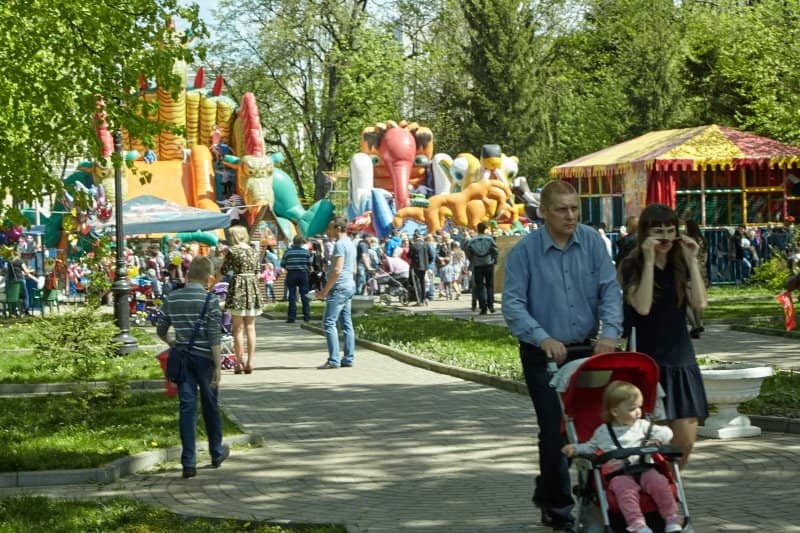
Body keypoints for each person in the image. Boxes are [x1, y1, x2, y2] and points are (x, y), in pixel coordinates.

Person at [502, 180, 623, 532]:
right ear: (543, 212)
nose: (570, 216)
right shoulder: (525, 252)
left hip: (588, 348)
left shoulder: (592, 243)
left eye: (574, 209)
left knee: (593, 424)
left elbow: (609, 290)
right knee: (555, 429)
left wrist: (610, 333)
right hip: (544, 353)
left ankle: (581, 493)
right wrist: (542, 338)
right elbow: (513, 304)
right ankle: (558, 508)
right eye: (561, 209)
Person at [618, 203, 708, 469]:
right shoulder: (632, 264)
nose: (666, 238)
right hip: (647, 359)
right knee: (654, 443)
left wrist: (692, 260)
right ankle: (657, 488)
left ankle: (669, 487)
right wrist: (648, 262)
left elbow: (700, 303)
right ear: (645, 234)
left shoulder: (679, 263)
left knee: (685, 441)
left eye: (671, 231)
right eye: (659, 232)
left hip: (680, 358)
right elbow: (643, 307)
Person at [561, 381, 682, 533]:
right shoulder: (603, 432)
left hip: (645, 469)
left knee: (660, 484)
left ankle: (671, 518)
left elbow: (667, 432)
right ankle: (637, 523)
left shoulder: (643, 426)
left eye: (639, 407)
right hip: (619, 474)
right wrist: (575, 448)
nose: (638, 412)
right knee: (625, 492)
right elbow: (591, 446)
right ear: (615, 411)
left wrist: (657, 439)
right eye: (632, 408)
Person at [156, 256, 229, 479]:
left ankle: (188, 462)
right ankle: (216, 452)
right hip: (205, 360)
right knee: (210, 405)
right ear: (209, 278)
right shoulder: (210, 301)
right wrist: (218, 366)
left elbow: (161, 328)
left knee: (187, 407)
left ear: (187, 275)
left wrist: (172, 343)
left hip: (183, 359)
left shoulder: (173, 297)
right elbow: (214, 336)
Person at [220, 225, 263, 374]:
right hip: (252, 288)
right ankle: (250, 362)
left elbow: (223, 271)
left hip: (237, 287)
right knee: (251, 327)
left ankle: (238, 363)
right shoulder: (253, 251)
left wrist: (212, 285)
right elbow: (258, 273)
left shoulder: (232, 251)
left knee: (237, 328)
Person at [316, 216, 357, 368]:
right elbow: (353, 268)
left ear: (338, 228)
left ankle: (334, 360)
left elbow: (338, 270)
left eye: (330, 227)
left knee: (328, 322)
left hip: (339, 287)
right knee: (346, 323)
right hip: (348, 285)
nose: (328, 231)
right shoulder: (350, 243)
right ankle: (348, 358)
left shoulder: (340, 244)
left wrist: (324, 291)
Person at [465, 222, 498, 314]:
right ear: (485, 229)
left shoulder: (472, 240)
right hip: (488, 263)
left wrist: (472, 260)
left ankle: (483, 308)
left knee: (480, 287)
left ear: (477, 229)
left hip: (477, 265)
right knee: (489, 285)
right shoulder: (490, 239)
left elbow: (468, 252)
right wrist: (495, 260)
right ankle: (491, 305)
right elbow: (495, 250)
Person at [683, 219, 709, 339]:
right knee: (697, 301)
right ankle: (699, 324)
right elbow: (705, 257)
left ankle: (694, 326)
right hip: (701, 272)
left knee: (685, 301)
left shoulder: (687, 240)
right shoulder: (702, 239)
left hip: (689, 272)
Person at [281, 235, 312, 323]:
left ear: (293, 242)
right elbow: (309, 264)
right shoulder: (306, 252)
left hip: (291, 274)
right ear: (302, 242)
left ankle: (291, 317)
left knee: (292, 295)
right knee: (305, 296)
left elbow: (282, 264)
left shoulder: (288, 252)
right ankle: (307, 316)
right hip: (303, 274)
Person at [408, 231, 432, 306]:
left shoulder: (413, 245)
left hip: (416, 266)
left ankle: (420, 300)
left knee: (417, 283)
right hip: (424, 266)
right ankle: (424, 298)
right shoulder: (426, 244)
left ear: (415, 237)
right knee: (422, 282)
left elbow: (409, 255)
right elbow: (431, 256)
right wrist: (427, 263)